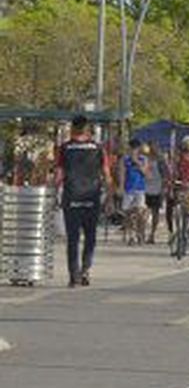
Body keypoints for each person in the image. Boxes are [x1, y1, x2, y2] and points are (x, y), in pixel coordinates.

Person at [57, 116, 113, 287]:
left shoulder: (65, 148)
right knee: (90, 237)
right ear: (87, 129)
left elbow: (59, 173)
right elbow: (106, 173)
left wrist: (52, 191)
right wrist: (110, 196)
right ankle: (85, 270)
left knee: (73, 239)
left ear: (73, 129)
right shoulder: (98, 148)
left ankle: (73, 275)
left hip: (71, 196)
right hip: (91, 196)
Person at [117, 139, 150, 245]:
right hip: (128, 189)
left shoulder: (143, 159)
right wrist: (121, 187)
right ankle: (131, 235)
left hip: (140, 188)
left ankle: (140, 234)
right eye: (132, 148)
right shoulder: (124, 159)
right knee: (128, 213)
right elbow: (122, 173)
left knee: (140, 212)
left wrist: (137, 163)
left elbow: (146, 174)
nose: (133, 151)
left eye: (135, 148)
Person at [143, 143, 165, 244]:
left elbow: (164, 175)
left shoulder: (160, 160)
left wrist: (164, 188)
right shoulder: (144, 159)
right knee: (144, 212)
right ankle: (142, 233)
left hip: (157, 188)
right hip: (145, 188)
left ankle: (152, 234)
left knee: (155, 212)